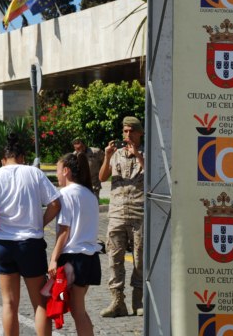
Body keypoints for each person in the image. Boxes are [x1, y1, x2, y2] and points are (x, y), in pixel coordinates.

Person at [0, 134, 61, 336]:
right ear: (22, 157)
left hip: (3, 245)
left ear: (3, 159)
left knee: (9, 304)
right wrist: (39, 222)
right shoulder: (34, 173)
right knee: (39, 303)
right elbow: (55, 203)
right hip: (30, 244)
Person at [48, 153, 102, 335]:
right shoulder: (90, 195)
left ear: (66, 171)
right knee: (78, 308)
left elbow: (64, 231)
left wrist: (53, 259)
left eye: (57, 170)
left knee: (78, 310)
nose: (56, 175)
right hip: (90, 257)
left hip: (74, 258)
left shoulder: (65, 194)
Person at [98, 116, 145, 318]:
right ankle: (117, 302)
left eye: (131, 131)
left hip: (139, 213)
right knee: (114, 259)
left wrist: (138, 156)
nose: (127, 135)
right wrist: (107, 157)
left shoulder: (146, 153)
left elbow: (154, 177)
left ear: (140, 133)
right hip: (117, 213)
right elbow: (101, 177)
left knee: (140, 259)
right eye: (125, 131)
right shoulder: (116, 154)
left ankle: (138, 301)